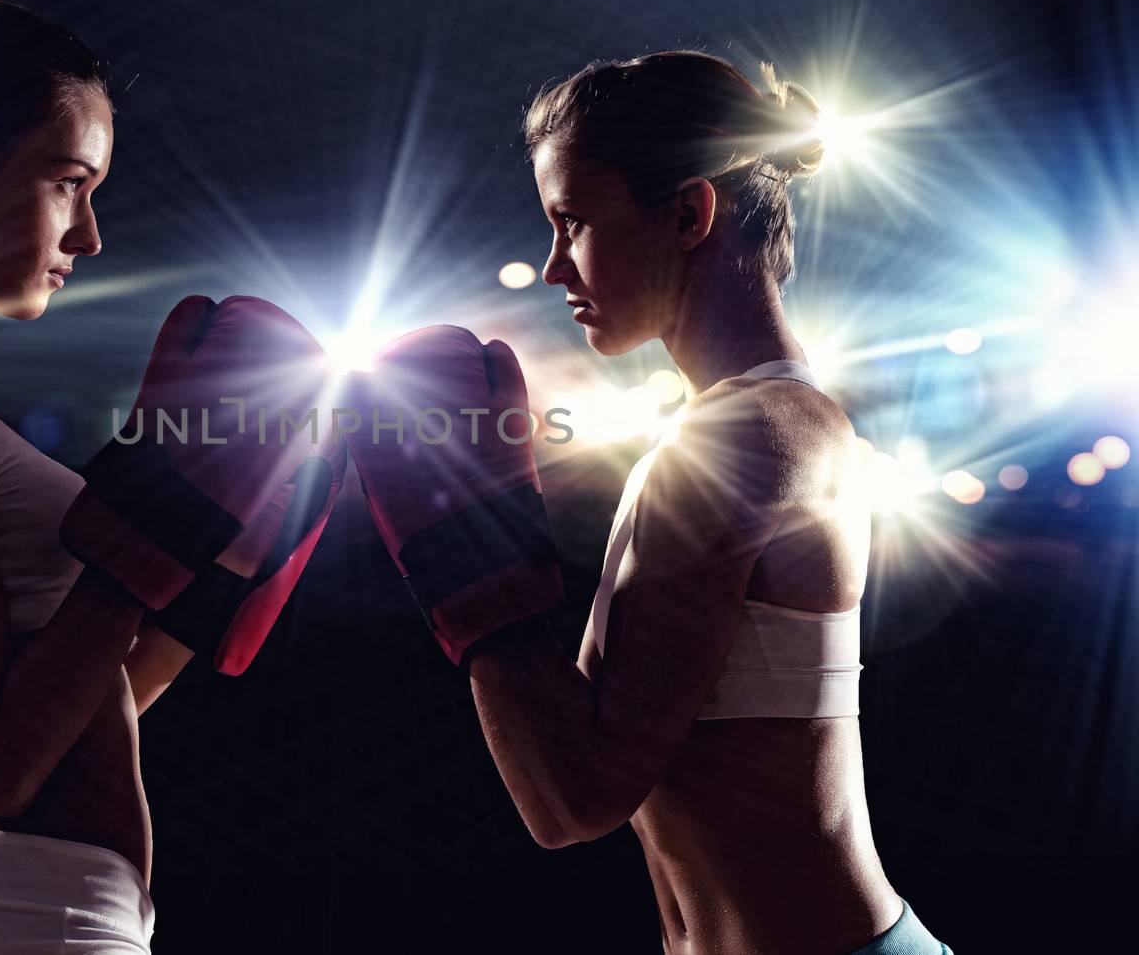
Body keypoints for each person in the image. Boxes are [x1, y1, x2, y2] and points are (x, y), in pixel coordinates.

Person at [344, 51, 950, 953]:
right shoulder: (753, 422)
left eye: (574, 222)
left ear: (688, 213)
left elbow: (575, 798)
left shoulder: (751, 432)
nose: (554, 266)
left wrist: (461, 546)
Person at [0, 0, 341, 954]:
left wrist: (213, 569)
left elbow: (87, 704)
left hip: (20, 909)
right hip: (18, 914)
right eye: (70, 183)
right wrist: (155, 523)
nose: (88, 236)